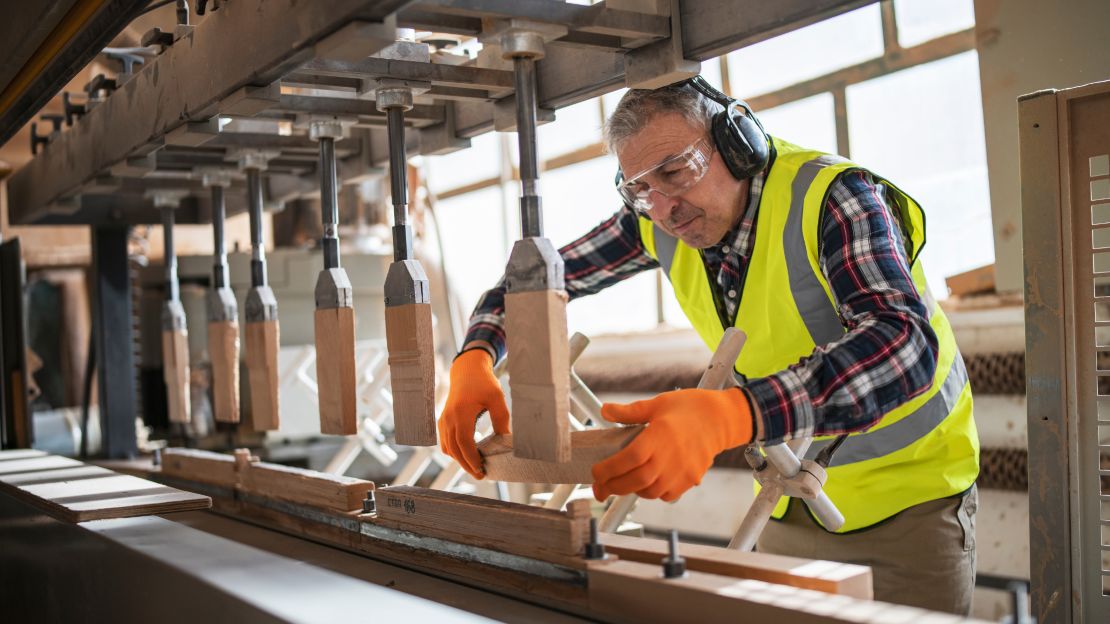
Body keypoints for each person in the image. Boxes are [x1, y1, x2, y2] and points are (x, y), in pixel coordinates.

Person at [436, 77, 979, 614]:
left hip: (913, 507)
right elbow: (533, 279)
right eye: (641, 189)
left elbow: (904, 343)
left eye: (676, 171)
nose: (665, 207)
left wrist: (734, 415)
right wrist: (475, 356)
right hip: (789, 503)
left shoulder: (835, 197)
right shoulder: (656, 218)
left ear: (739, 143)